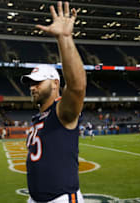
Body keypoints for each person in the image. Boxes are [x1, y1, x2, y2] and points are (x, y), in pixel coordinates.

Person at [21, 1, 86, 202]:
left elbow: (77, 87)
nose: (33, 87)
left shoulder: (61, 111)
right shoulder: (39, 116)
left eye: (38, 82)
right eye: (31, 83)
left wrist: (65, 39)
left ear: (56, 84)